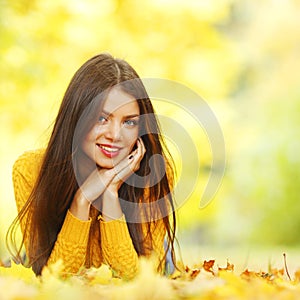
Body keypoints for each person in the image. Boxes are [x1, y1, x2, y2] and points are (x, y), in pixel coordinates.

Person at [6, 53, 177, 279]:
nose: (115, 135)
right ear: (76, 118)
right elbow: (52, 282)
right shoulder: (31, 170)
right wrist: (82, 200)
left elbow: (137, 283)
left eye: (129, 122)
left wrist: (110, 196)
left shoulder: (153, 173)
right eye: (101, 118)